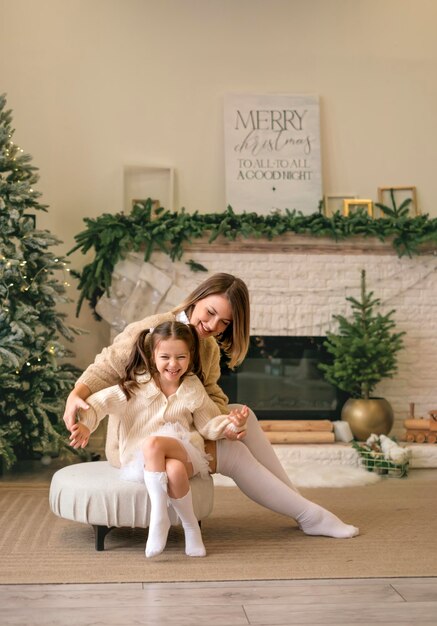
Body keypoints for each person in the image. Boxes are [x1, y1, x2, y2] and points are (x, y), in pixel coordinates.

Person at [64, 272, 359, 539]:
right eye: (211, 312)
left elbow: (211, 395)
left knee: (245, 415)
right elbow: (105, 368)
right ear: (197, 298)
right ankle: (307, 514)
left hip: (179, 428)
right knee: (234, 452)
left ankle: (297, 504)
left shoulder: (207, 347)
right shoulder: (153, 331)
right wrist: (77, 394)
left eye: (224, 323)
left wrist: (229, 422)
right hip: (140, 439)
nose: (213, 325)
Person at [70, 321, 248, 558]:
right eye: (165, 356)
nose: (173, 364)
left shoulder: (192, 386)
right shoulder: (136, 385)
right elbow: (101, 402)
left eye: (181, 357)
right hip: (142, 462)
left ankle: (159, 519)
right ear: (153, 356)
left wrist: (230, 426)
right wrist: (85, 424)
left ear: (190, 356)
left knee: (154, 444)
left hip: (188, 453)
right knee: (172, 470)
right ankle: (191, 529)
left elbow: (208, 424)